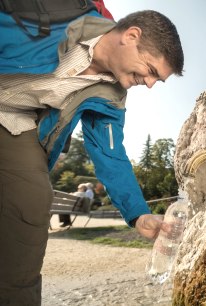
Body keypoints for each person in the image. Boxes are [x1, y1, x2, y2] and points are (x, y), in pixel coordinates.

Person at [0, 5, 183, 305]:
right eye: (151, 71)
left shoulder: (112, 97)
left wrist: (138, 214)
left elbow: (110, 154)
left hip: (15, 123)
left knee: (33, 196)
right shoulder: (60, 15)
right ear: (131, 36)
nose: (150, 84)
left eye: (157, 80)